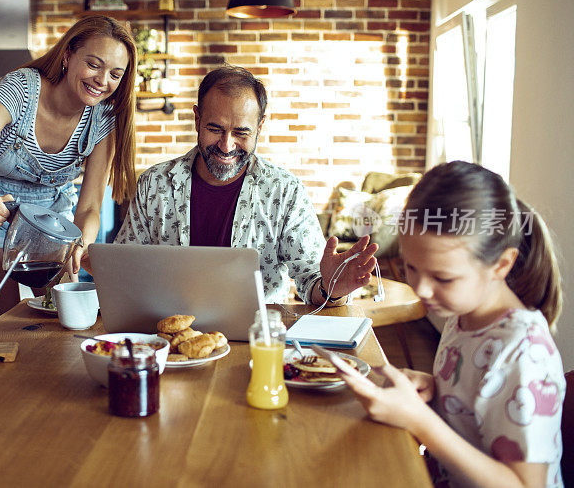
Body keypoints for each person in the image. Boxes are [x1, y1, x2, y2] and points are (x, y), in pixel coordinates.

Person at [340, 161, 565, 487]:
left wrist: (419, 421)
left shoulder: (524, 352)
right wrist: (436, 389)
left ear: (501, 265)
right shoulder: (464, 316)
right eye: (411, 268)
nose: (421, 289)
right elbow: (481, 400)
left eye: (443, 277)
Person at [112, 65, 376, 304]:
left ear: (260, 127)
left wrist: (332, 288)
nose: (226, 146)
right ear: (197, 119)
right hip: (169, 335)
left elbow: (313, 283)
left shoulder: (285, 191)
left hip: (258, 340)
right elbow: (124, 270)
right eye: (215, 129)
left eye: (241, 132)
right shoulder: (153, 184)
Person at [0, 14, 137, 320]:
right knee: (7, 321)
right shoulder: (20, 91)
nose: (102, 81)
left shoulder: (105, 116)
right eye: (94, 64)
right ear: (68, 55)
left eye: (115, 74)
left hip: (52, 217)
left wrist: (82, 241)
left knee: (65, 317)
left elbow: (91, 204)